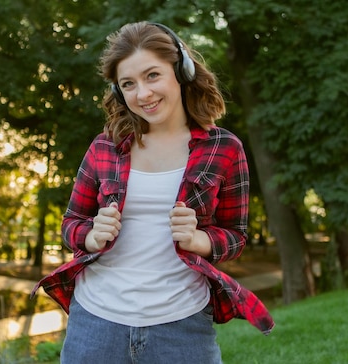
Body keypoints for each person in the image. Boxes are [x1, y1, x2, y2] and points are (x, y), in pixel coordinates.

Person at [31, 21, 274, 363]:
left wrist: (199, 240)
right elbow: (72, 222)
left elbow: (235, 235)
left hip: (182, 323)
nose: (142, 94)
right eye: (128, 84)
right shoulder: (105, 146)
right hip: (96, 321)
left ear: (182, 72)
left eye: (152, 76)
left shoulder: (224, 148)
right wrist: (90, 235)